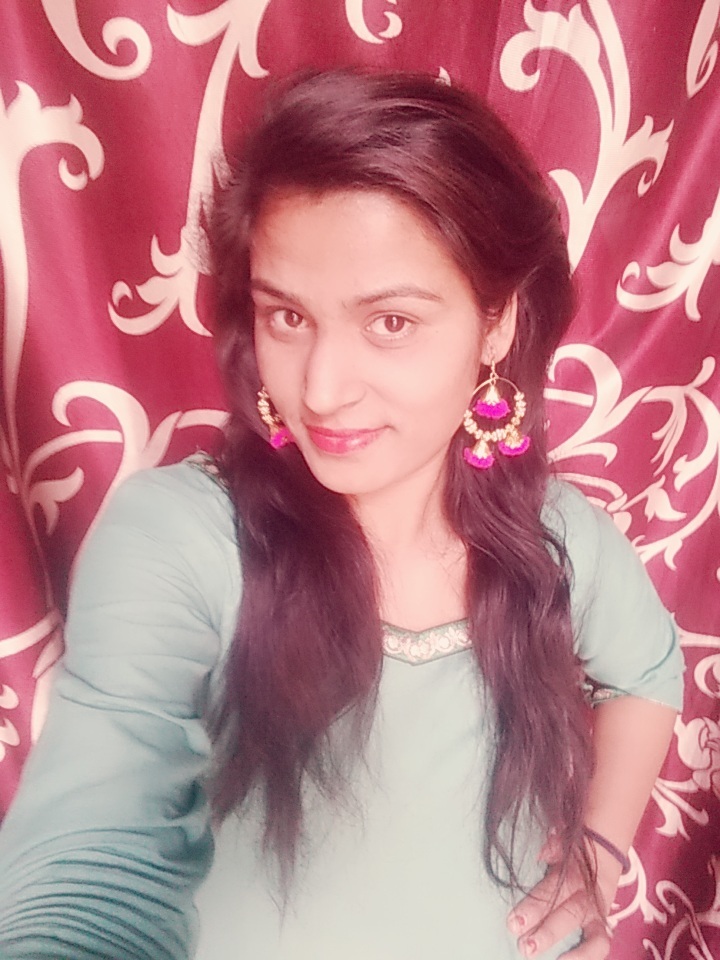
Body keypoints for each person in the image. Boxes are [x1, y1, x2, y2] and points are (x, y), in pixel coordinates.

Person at [0, 69, 682, 960]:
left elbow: (648, 676)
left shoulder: (557, 536)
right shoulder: (180, 538)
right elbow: (90, 864)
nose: (320, 389)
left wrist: (598, 849)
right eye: (287, 316)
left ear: (497, 325)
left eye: (389, 322)